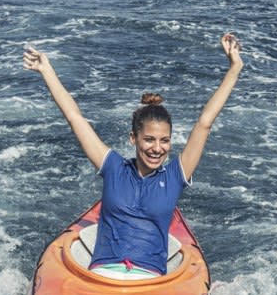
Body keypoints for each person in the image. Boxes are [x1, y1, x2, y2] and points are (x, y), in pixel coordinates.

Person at [23, 33, 243, 279]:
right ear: (133, 138)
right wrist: (47, 71)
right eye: (149, 139)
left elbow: (204, 123)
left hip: (150, 281)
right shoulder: (113, 167)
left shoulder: (174, 176)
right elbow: (75, 117)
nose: (157, 148)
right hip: (101, 277)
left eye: (164, 140)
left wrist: (234, 67)